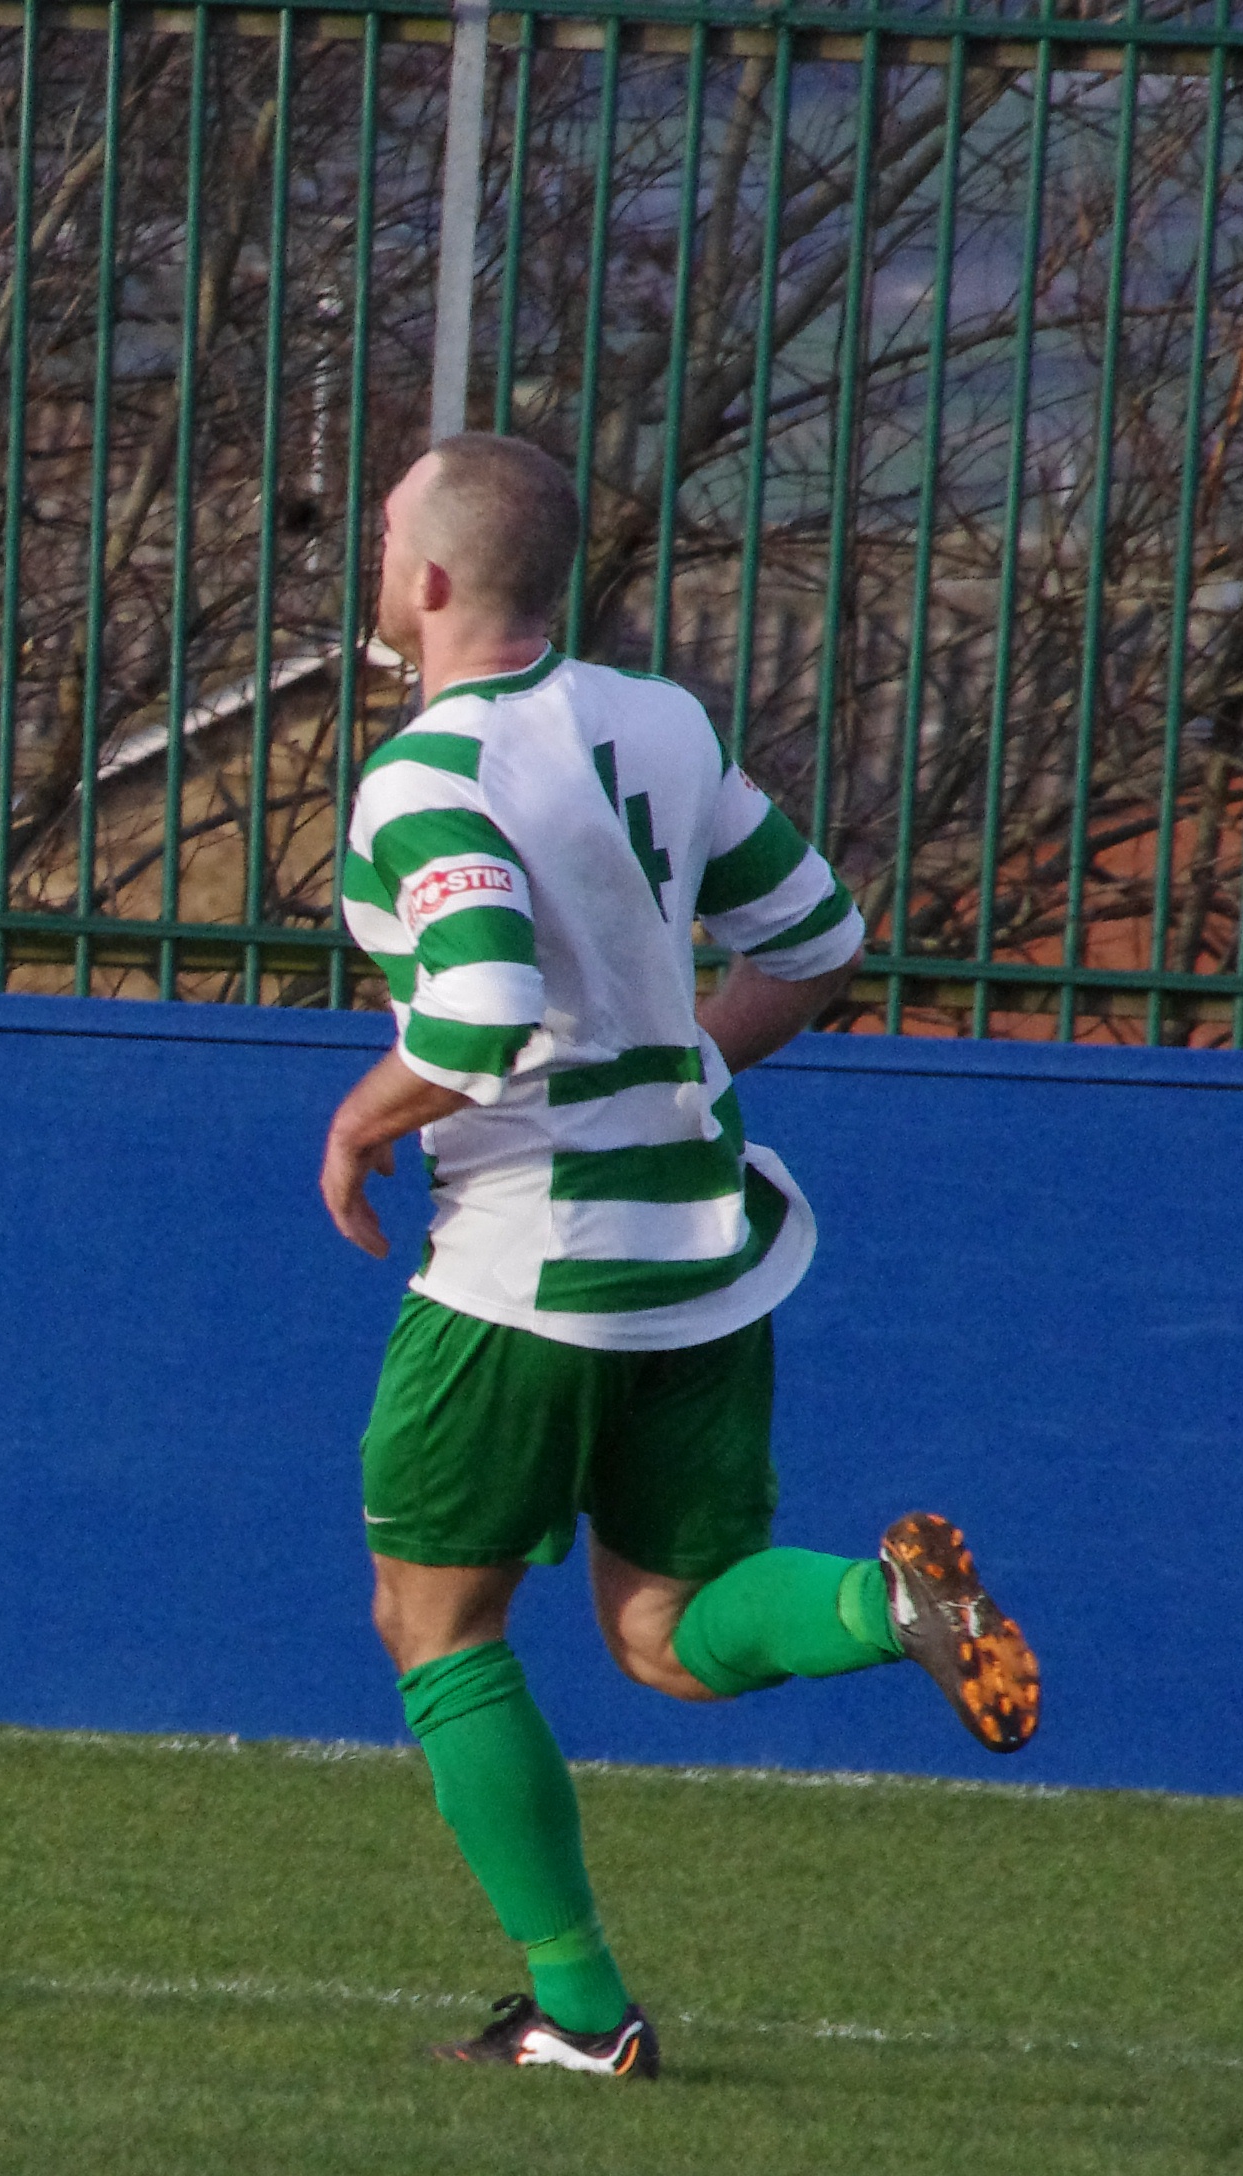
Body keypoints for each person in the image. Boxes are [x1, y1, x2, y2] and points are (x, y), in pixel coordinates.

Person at [322, 434, 1042, 2075]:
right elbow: (817, 944)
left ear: (428, 580)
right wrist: (683, 1073)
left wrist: (364, 1119)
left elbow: (486, 1010)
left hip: (532, 1265)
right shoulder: (663, 721)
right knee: (670, 1634)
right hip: (705, 1251)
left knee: (435, 1629)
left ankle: (581, 2015)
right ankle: (883, 1604)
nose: (376, 563)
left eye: (382, 539)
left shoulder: (425, 778)